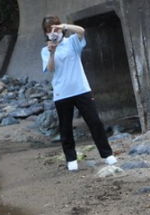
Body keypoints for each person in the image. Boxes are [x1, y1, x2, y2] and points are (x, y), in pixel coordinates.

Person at [41, 15, 115, 171]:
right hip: (62, 93)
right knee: (65, 128)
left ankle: (107, 154)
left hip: (81, 89)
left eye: (54, 28)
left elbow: (82, 31)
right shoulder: (45, 50)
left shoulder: (72, 41)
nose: (52, 32)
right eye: (49, 30)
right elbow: (50, 69)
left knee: (95, 122)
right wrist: (52, 52)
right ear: (45, 33)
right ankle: (71, 159)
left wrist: (64, 26)